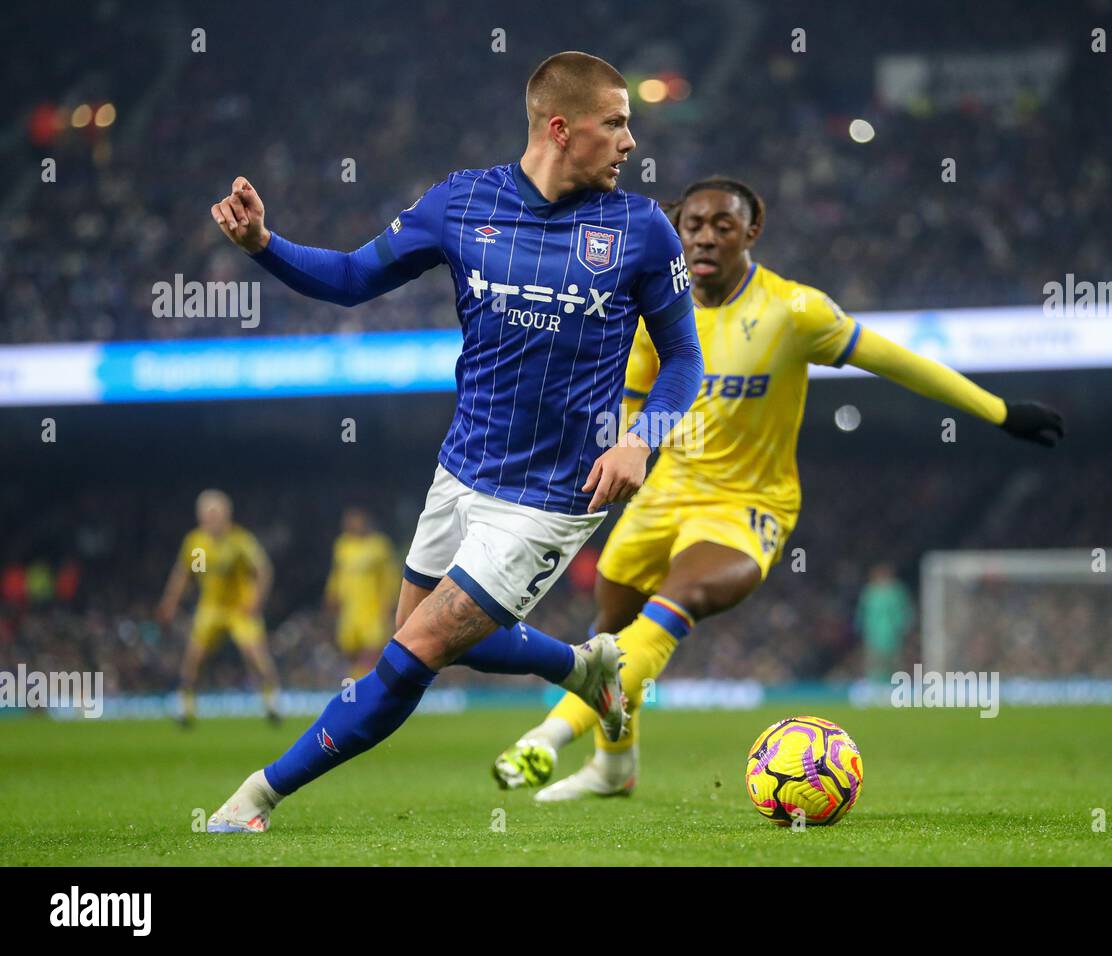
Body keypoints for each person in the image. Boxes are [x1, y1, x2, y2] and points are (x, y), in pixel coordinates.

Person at [202, 51, 704, 832]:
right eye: (617, 123)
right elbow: (349, 279)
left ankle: (254, 797)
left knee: (416, 652)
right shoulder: (462, 202)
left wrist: (643, 438)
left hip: (553, 496)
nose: (632, 142)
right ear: (561, 129)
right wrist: (266, 244)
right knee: (427, 639)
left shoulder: (641, 230)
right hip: (461, 471)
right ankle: (585, 669)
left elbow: (684, 360)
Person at [489, 177, 1064, 800]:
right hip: (661, 500)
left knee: (675, 604)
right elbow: (630, 409)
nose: (706, 236)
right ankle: (614, 765)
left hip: (746, 507)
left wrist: (999, 411)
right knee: (609, 631)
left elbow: (899, 361)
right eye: (694, 225)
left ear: (751, 231)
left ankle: (547, 736)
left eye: (723, 225)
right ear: (678, 233)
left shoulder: (794, 312)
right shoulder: (655, 314)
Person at [156, 489, 280, 726]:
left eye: (215, 513)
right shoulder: (196, 542)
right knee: (194, 658)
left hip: (239, 608)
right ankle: (185, 706)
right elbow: (184, 573)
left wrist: (256, 600)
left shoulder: (240, 540)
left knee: (255, 655)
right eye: (207, 514)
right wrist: (170, 601)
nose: (211, 519)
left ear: (227, 515)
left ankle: (271, 702)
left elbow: (264, 570)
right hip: (211, 607)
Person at [324, 508, 399, 679]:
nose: (351, 524)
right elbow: (336, 574)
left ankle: (357, 692)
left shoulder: (379, 546)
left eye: (355, 520)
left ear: (365, 522)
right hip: (349, 613)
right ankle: (354, 693)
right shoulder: (342, 545)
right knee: (351, 656)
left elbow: (390, 578)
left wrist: (388, 606)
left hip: (372, 612)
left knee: (370, 655)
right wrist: (331, 594)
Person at [856, 563, 913, 682]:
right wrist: (861, 627)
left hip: (893, 635)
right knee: (874, 662)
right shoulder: (870, 592)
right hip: (874, 635)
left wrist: (904, 627)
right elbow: (862, 612)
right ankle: (875, 684)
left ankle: (896, 684)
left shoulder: (897, 591)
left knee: (894, 662)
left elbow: (905, 612)